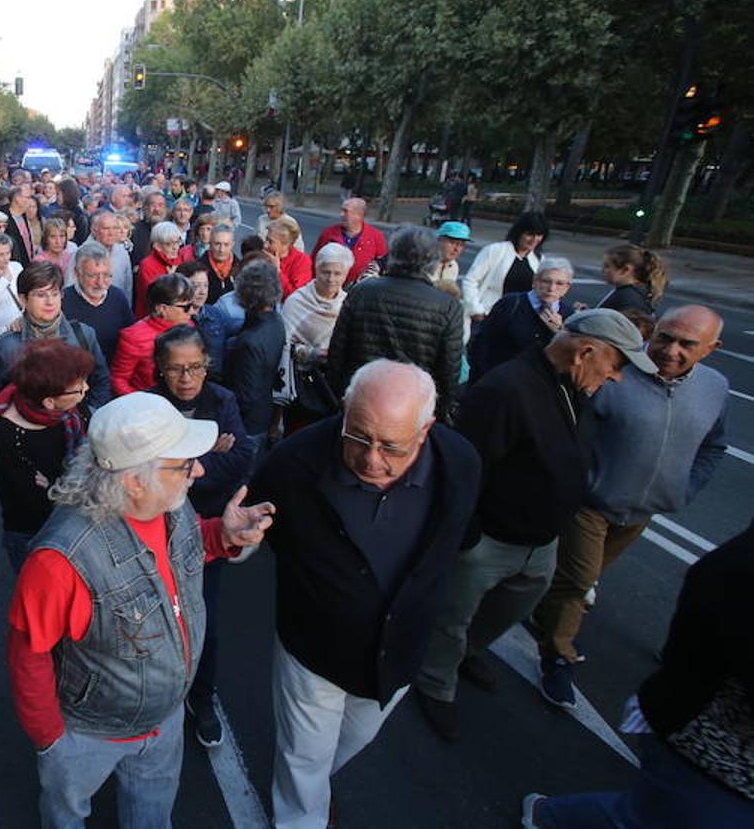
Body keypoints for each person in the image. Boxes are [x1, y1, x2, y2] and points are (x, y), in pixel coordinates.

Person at [7, 393, 275, 829]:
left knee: (151, 817)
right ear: (134, 480)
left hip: (164, 719)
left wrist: (221, 535)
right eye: (185, 464)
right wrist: (52, 740)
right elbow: (28, 653)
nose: (200, 470)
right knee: (66, 815)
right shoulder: (60, 563)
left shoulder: (168, 504)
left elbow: (178, 554)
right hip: (88, 733)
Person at [247, 361, 481, 828]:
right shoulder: (294, 463)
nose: (372, 460)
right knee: (304, 758)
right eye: (358, 436)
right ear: (344, 413)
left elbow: (462, 539)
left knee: (352, 740)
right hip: (313, 653)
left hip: (399, 652)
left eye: (392, 446)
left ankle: (314, 793)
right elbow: (249, 529)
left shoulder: (460, 464)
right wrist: (234, 539)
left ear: (426, 429)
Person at [413, 309, 656, 741]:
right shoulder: (506, 389)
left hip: (540, 540)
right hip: (490, 539)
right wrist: (466, 539)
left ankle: (466, 653)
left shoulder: (573, 384)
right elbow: (466, 467)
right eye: (617, 366)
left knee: (512, 608)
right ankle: (436, 684)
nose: (618, 378)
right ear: (585, 352)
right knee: (452, 617)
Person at [530, 305, 727, 708]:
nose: (670, 350)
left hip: (643, 511)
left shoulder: (715, 388)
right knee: (580, 581)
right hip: (592, 503)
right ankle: (558, 657)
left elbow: (714, 446)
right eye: (664, 337)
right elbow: (574, 432)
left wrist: (684, 488)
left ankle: (544, 612)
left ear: (711, 348)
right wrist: (581, 483)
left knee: (580, 576)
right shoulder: (617, 375)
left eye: (687, 344)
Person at [521, 525, 754, 829]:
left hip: (715, 746)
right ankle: (547, 815)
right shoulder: (739, 569)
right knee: (647, 817)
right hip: (712, 746)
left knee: (649, 814)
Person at [148, 325, 255, 747]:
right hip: (155, 527)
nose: (187, 378)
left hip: (207, 530)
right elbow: (145, 472)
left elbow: (244, 458)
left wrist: (197, 468)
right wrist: (211, 453)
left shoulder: (223, 400)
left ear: (207, 365)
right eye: (176, 369)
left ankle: (202, 697)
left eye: (195, 367)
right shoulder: (148, 406)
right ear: (160, 369)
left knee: (203, 619)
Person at [326, 226, 464, 421]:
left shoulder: (362, 291)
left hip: (360, 396)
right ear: (432, 260)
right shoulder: (448, 306)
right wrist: (438, 412)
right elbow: (448, 371)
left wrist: (338, 396)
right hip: (411, 407)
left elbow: (337, 353)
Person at [0, 339, 95, 573]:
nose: (86, 389)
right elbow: (31, 497)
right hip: (32, 529)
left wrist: (52, 484)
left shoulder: (73, 410)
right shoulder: (9, 433)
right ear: (49, 402)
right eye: (79, 387)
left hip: (75, 516)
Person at [0, 261, 112, 411]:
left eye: (55, 294)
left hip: (75, 424)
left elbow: (101, 379)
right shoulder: (6, 346)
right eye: (41, 295)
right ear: (23, 299)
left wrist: (91, 412)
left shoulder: (83, 334)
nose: (50, 302)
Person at [466, 256, 574, 384]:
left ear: (567, 288)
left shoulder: (569, 316)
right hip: (499, 382)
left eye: (559, 283)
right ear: (535, 281)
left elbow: (568, 361)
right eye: (546, 281)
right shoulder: (510, 304)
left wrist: (559, 333)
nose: (551, 288)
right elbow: (482, 343)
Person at [225, 259, 286, 458]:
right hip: (264, 415)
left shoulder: (249, 341)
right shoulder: (276, 321)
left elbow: (245, 396)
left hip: (248, 425)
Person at [111, 273, 196, 397]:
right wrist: (145, 403)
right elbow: (118, 380)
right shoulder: (134, 337)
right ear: (162, 308)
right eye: (186, 307)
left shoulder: (189, 326)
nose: (192, 311)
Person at [460, 212, 549, 323]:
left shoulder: (539, 260)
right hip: (489, 317)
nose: (534, 239)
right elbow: (470, 281)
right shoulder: (495, 250)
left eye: (539, 235)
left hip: (520, 321)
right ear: (519, 232)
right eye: (530, 234)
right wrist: (476, 310)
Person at [281, 242, 353, 372]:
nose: (331, 279)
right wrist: (313, 354)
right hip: (299, 377)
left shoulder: (348, 303)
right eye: (326, 272)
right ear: (316, 270)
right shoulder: (296, 302)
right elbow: (283, 344)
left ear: (346, 274)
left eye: (337, 274)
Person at [61, 242, 135, 365]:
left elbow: (130, 337)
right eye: (93, 276)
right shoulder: (61, 301)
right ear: (77, 274)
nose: (100, 283)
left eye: (106, 275)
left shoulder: (118, 297)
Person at [311, 198, 387, 286]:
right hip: (329, 287)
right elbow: (314, 261)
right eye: (341, 211)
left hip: (360, 289)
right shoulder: (328, 234)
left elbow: (382, 266)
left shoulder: (375, 236)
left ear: (359, 215)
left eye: (345, 211)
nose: (341, 214)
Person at [134, 221, 194, 317]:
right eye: (169, 244)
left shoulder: (181, 260)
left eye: (177, 242)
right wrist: (172, 279)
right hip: (153, 318)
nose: (175, 247)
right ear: (157, 246)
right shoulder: (147, 265)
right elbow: (156, 299)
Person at [598, 242, 667, 316]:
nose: (602, 270)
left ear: (625, 270)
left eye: (607, 266)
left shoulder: (626, 298)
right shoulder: (635, 292)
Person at [85, 210, 134, 302]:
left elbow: (128, 287)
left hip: (117, 307)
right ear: (94, 231)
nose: (111, 233)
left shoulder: (122, 252)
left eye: (115, 228)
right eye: (106, 228)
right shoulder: (82, 254)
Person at [264, 218, 313, 300]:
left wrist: (277, 271)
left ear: (286, 244)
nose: (265, 245)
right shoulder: (263, 255)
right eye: (266, 239)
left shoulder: (302, 261)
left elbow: (295, 295)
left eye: (270, 242)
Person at [201, 222, 238, 305]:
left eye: (226, 244)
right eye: (217, 244)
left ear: (232, 245)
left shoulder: (241, 268)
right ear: (210, 243)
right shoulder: (198, 268)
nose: (221, 250)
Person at [130, 190, 169, 265]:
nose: (157, 209)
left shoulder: (171, 230)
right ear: (145, 207)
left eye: (160, 205)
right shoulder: (134, 230)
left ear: (165, 209)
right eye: (153, 205)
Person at [4, 184, 38, 266]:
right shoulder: (4, 218)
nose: (30, 201)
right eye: (27, 197)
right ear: (17, 198)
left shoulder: (23, 215)